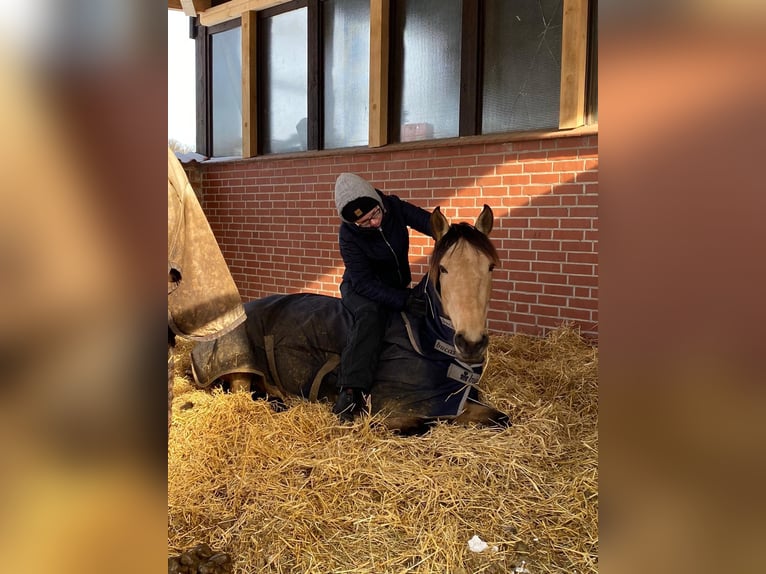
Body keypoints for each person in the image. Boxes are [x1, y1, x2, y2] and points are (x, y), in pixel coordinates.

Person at [332, 173, 433, 421]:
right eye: (364, 223)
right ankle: (351, 392)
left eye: (375, 215)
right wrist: (403, 300)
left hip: (396, 286)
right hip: (361, 290)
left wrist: (453, 235)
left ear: (379, 203)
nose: (374, 224)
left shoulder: (394, 206)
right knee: (371, 315)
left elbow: (429, 222)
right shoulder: (348, 235)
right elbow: (364, 283)